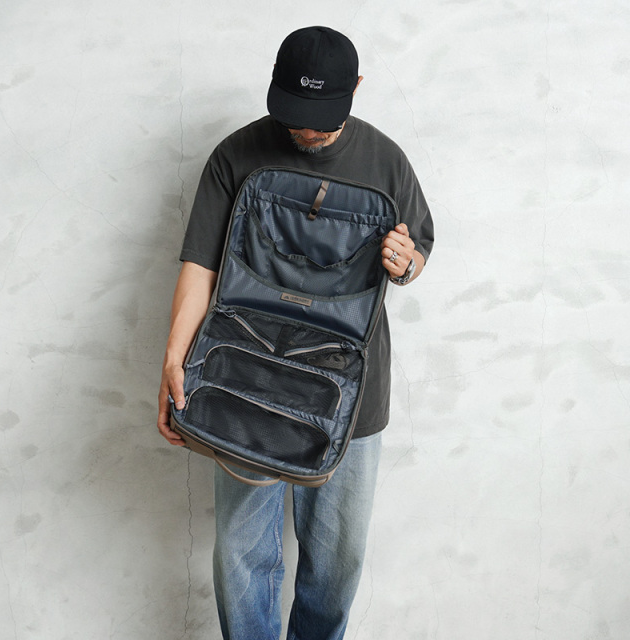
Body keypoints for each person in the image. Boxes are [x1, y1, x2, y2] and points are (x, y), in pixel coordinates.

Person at [157, 26, 434, 640]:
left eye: (320, 117)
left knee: (337, 561)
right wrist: (174, 359)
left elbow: (416, 255)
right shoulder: (236, 155)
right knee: (241, 555)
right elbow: (200, 265)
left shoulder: (387, 162)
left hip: (349, 392)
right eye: (293, 113)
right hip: (242, 376)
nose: (305, 130)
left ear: (356, 89)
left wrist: (405, 262)